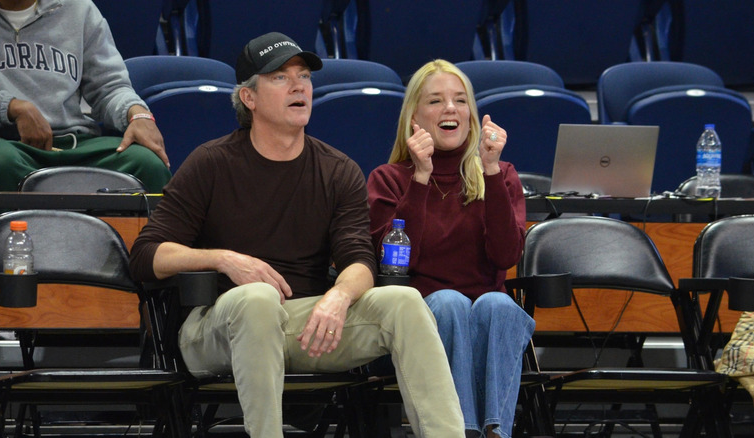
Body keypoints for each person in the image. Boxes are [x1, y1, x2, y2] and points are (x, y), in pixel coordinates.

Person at [128, 32, 465, 438]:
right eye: (279, 78)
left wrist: (338, 297)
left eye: (303, 76)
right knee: (258, 298)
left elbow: (360, 260)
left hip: (304, 325)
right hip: (215, 328)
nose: (298, 86)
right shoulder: (211, 163)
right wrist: (222, 259)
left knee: (403, 301)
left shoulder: (338, 170)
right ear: (248, 98)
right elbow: (146, 255)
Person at [367, 59, 535, 438]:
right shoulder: (390, 179)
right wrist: (422, 178)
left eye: (461, 101)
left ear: (472, 116)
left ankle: (493, 433)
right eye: (436, 101)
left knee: (499, 304)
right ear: (414, 116)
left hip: (486, 308)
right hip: (420, 313)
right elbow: (403, 265)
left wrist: (490, 172)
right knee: (448, 302)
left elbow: (505, 257)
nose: (450, 109)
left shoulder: (501, 174)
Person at [0, 0, 171, 193]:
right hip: (8, 144)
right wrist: (11, 107)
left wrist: (137, 114)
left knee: (147, 164)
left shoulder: (79, 8)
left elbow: (109, 86)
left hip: (75, 144)